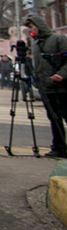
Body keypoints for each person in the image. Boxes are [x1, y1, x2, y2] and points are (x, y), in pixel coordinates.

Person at [24, 15, 67, 159]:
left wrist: (61, 74)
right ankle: (59, 147)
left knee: (65, 116)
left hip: (62, 87)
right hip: (46, 87)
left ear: (39, 25)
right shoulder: (36, 43)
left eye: (31, 27)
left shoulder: (58, 39)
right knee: (54, 119)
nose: (30, 30)